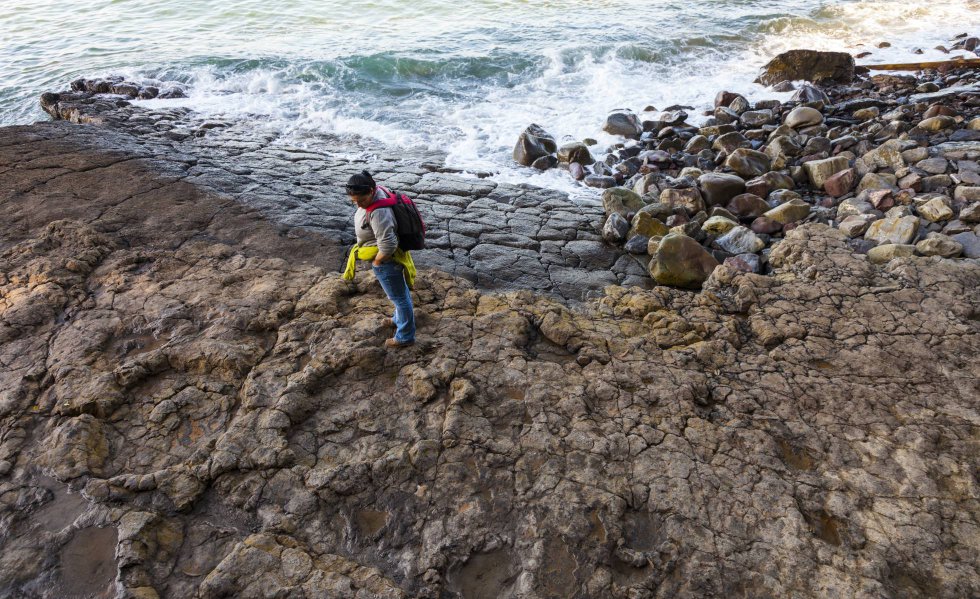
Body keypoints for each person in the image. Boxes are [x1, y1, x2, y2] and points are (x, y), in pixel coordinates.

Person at [342, 170, 417, 348]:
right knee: (400, 294)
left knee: (399, 298)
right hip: (385, 258)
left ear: (371, 191)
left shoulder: (379, 212)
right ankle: (398, 319)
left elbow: (389, 244)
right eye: (354, 202)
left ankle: (405, 337)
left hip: (387, 261)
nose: (359, 205)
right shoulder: (378, 192)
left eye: (362, 200)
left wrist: (377, 261)